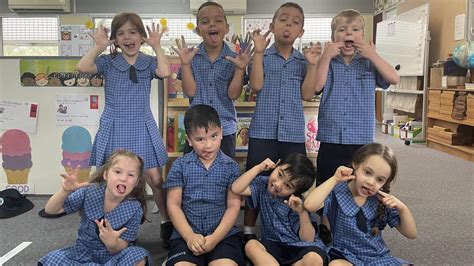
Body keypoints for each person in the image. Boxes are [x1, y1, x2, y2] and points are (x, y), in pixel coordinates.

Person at [76, 12, 173, 247]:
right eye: (121, 33)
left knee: (155, 178)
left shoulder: (148, 61)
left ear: (141, 36)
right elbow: (82, 66)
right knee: (106, 177)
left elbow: (165, 72)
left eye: (133, 32)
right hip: (115, 124)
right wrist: (99, 47)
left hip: (141, 125)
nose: (127, 37)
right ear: (115, 39)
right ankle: (100, 225)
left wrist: (157, 46)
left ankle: (166, 222)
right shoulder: (109, 62)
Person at [243, 1, 322, 242]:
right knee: (257, 182)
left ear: (301, 32)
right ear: (272, 25)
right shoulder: (262, 54)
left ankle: (286, 228)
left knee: (292, 182)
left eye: (295, 22)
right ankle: (248, 230)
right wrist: (257, 52)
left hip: (292, 134)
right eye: (283, 20)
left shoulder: (303, 60)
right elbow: (256, 85)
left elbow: (307, 94)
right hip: (263, 131)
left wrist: (312, 64)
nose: (288, 25)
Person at [314, 9, 400, 187]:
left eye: (355, 29)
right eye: (342, 29)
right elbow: (316, 86)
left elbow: (394, 78)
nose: (348, 33)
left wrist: (372, 55)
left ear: (362, 35)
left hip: (361, 137)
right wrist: (325, 56)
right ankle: (325, 216)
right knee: (327, 182)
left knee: (359, 183)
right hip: (331, 136)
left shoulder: (369, 61)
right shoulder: (328, 61)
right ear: (333, 37)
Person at [304, 143, 417, 265]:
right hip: (345, 256)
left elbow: (411, 234)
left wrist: (403, 208)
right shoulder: (337, 192)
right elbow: (310, 205)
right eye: (367, 172)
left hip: (377, 258)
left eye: (380, 180)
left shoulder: (381, 200)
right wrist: (334, 179)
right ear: (356, 164)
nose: (371, 182)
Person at [163, 104, 244, 265]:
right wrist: (189, 236)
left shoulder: (231, 167)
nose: (208, 145)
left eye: (214, 136)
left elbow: (233, 206)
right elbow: (173, 204)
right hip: (186, 233)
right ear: (189, 140)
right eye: (200, 139)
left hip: (222, 235)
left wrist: (214, 238)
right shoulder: (180, 165)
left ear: (221, 133)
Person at [39, 150, 150, 265]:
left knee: (139, 257)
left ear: (136, 182)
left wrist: (112, 243)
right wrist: (65, 191)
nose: (123, 178)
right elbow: (51, 210)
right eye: (117, 172)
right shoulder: (89, 191)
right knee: (54, 258)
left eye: (131, 175)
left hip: (113, 256)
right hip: (82, 253)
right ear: (106, 174)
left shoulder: (135, 209)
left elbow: (122, 246)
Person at [172, 1, 251, 159]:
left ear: (227, 28)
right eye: (205, 21)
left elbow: (233, 95)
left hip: (224, 129)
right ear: (197, 30)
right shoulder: (191, 56)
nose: (212, 24)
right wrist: (186, 64)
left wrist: (240, 69)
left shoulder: (235, 59)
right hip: (196, 129)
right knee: (192, 174)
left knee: (225, 175)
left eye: (218, 20)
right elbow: (190, 92)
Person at [231, 153, 328, 266]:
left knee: (314, 259)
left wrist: (302, 213)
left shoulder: (297, 203)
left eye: (288, 186)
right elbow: (236, 188)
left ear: (295, 192)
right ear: (277, 164)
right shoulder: (262, 184)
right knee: (250, 245)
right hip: (272, 245)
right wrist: (259, 167)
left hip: (299, 247)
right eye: (280, 174)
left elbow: (308, 239)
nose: (278, 184)